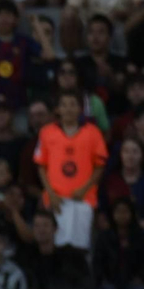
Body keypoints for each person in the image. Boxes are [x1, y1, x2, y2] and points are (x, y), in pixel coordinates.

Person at [35, 91, 107, 251]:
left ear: (80, 108)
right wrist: (50, 194)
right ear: (58, 109)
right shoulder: (46, 132)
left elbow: (100, 166)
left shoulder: (93, 132)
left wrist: (84, 189)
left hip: (83, 199)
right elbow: (41, 166)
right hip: (55, 200)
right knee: (55, 247)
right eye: (64, 105)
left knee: (80, 247)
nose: (68, 109)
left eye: (73, 104)